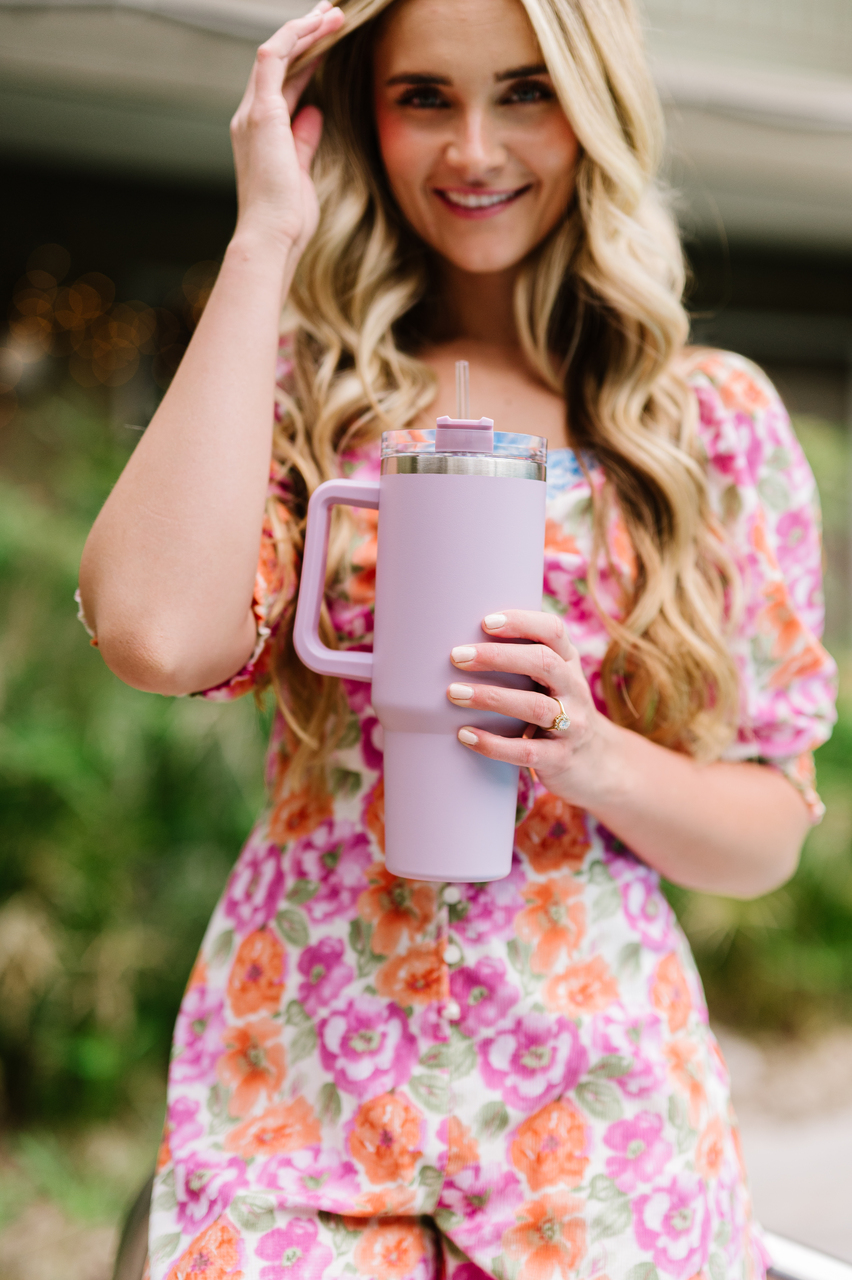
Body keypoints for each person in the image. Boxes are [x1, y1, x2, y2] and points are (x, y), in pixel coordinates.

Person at [77, 0, 838, 1277]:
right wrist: (265, 231)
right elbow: (152, 631)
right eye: (425, 95)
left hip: (596, 1105)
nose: (474, 148)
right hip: (300, 1067)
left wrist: (587, 750)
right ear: (362, 114)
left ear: (594, 104)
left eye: (526, 90)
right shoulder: (303, 388)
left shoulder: (710, 423)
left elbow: (768, 830)